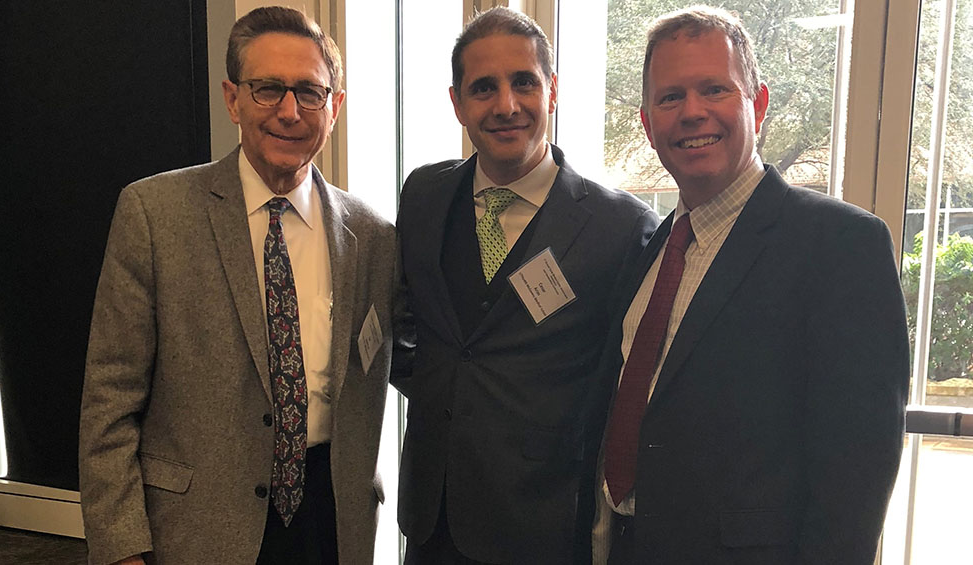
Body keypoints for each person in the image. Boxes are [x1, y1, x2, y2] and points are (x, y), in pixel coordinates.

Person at [589, 6, 910, 564]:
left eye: (715, 89)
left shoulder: (840, 245)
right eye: (670, 97)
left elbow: (856, 471)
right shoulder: (650, 249)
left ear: (757, 104)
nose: (692, 112)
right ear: (647, 124)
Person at [78, 7, 397, 564]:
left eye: (310, 93)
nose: (289, 111)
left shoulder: (373, 237)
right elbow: (109, 400)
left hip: (332, 523)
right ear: (233, 99)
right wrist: (121, 548)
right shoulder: (154, 215)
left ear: (335, 107)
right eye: (268, 89)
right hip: (197, 527)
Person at [392, 7, 659, 564]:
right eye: (483, 88)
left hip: (544, 522)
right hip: (432, 516)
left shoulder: (621, 227)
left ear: (552, 90)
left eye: (524, 83)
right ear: (457, 103)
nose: (506, 105)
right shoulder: (423, 195)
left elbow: (624, 382)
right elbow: (408, 322)